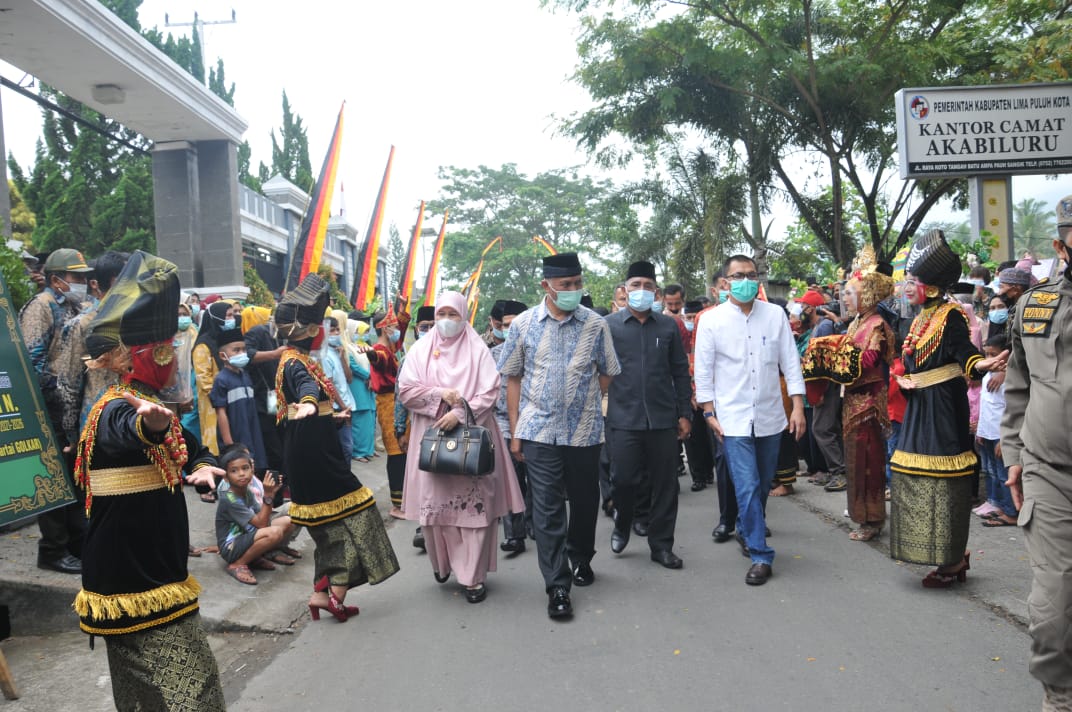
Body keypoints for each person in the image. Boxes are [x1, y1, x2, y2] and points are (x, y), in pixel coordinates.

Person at [73, 250, 225, 710]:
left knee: (146, 691)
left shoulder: (144, 398)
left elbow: (187, 446)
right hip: (130, 578)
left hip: (152, 570)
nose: (173, 358)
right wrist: (151, 427)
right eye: (166, 349)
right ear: (143, 355)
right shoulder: (118, 407)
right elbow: (128, 433)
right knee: (189, 690)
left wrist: (201, 466)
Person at [498, 252, 621, 618]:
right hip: (538, 431)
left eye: (577, 284)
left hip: (584, 432)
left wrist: (581, 396)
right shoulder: (522, 325)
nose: (573, 291)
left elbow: (608, 372)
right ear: (546, 286)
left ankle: (581, 557)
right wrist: (518, 431)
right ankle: (557, 586)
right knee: (548, 508)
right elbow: (513, 378)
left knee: (584, 501)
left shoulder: (596, 325)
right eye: (566, 285)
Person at [274, 274, 399, 623]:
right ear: (312, 330)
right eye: (322, 325)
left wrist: (330, 412)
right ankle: (335, 591)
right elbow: (303, 390)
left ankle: (322, 594)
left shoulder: (295, 359)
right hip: (316, 459)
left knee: (331, 529)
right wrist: (312, 402)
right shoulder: (296, 365)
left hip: (312, 451)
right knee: (358, 518)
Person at [889, 229, 1007, 587]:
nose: (908, 287)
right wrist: (905, 379)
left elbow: (964, 354)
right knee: (916, 478)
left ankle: (952, 560)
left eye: (914, 281)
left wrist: (980, 365)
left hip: (943, 410)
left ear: (934, 286)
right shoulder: (922, 317)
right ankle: (943, 554)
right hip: (919, 408)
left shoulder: (951, 316)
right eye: (907, 281)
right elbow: (911, 361)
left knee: (944, 483)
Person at [396, 292, 524, 602]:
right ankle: (443, 564)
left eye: (454, 314)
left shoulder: (478, 350)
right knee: (436, 510)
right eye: (443, 314)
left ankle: (472, 578)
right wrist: (441, 395)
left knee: (474, 512)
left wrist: (460, 413)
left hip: (473, 439)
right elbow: (406, 391)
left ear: (464, 316)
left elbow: (490, 391)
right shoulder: (420, 351)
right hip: (432, 438)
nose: (447, 321)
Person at [694, 254, 806, 586]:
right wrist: (709, 412)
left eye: (752, 274)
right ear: (725, 283)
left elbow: (790, 362)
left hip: (771, 415)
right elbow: (704, 371)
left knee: (762, 483)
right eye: (740, 275)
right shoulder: (711, 321)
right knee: (747, 485)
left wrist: (797, 407)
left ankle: (745, 527)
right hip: (732, 419)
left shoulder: (774, 316)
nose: (747, 280)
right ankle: (760, 554)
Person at [1001, 194, 1072, 712]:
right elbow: (1018, 385)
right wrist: (1013, 453)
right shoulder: (1035, 305)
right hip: (1051, 472)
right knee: (1053, 608)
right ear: (1060, 244)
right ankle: (1060, 695)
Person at [604, 261, 691, 568]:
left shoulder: (667, 326)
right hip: (623, 419)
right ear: (625, 290)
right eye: (635, 284)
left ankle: (661, 545)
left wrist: (684, 413)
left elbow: (680, 372)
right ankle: (622, 521)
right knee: (624, 481)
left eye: (647, 285)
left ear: (655, 291)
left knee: (666, 484)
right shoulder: (610, 326)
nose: (641, 290)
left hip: (663, 419)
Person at [18, 247, 92, 574]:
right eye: (75, 277)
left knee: (74, 479)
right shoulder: (41, 307)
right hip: (49, 406)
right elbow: (30, 363)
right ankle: (52, 550)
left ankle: (77, 544)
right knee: (54, 479)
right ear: (55, 279)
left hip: (70, 405)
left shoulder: (75, 305)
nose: (81, 282)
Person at [839, 258, 896, 541]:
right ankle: (861, 513)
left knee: (868, 460)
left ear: (867, 295)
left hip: (868, 404)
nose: (845, 298)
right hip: (853, 398)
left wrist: (837, 359)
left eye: (850, 292)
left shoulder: (876, 324)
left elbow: (869, 361)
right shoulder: (858, 323)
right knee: (855, 459)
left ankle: (872, 519)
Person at [215, 446, 297, 585]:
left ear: (252, 470)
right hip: (231, 546)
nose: (241, 474)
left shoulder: (246, 491)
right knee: (274, 532)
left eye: (245, 468)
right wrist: (268, 495)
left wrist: (271, 493)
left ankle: (258, 555)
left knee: (289, 520)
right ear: (226, 478)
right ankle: (238, 564)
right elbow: (262, 524)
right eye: (234, 471)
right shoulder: (230, 498)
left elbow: (263, 515)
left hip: (247, 535)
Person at [489, 299, 532, 554]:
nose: (510, 329)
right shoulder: (491, 356)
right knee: (510, 478)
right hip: (503, 422)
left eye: (515, 324)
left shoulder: (539, 351)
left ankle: (537, 523)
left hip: (536, 422)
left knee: (537, 480)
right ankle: (514, 534)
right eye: (506, 325)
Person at [365, 304, 408, 516]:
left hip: (396, 401)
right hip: (387, 403)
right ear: (384, 328)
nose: (397, 328)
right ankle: (398, 504)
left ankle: (406, 499)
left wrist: (403, 309)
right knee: (395, 451)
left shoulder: (389, 346)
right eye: (393, 325)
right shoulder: (380, 351)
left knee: (403, 448)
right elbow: (378, 361)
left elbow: (400, 338)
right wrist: (371, 355)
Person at [243, 305, 287, 503]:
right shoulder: (258, 331)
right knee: (272, 450)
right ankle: (272, 497)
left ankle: (280, 490)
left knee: (281, 447)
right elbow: (247, 355)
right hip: (262, 402)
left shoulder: (279, 335)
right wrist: (274, 354)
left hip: (276, 401)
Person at [210, 328, 267, 474]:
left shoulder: (245, 375)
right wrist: (230, 444)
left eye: (243, 349)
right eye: (236, 350)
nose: (241, 353)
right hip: (236, 439)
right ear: (223, 356)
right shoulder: (222, 380)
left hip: (252, 434)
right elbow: (221, 413)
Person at [974, 333, 1016, 527]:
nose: (989, 359)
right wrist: (981, 431)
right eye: (986, 354)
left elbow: (1010, 409)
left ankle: (1011, 511)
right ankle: (996, 503)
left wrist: (1004, 438)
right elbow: (986, 404)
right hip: (987, 432)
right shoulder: (987, 376)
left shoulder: (1008, 379)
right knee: (990, 470)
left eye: (994, 354)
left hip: (1000, 435)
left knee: (1003, 474)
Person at [193, 300, 237, 457]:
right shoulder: (203, 345)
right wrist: (219, 396)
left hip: (228, 399)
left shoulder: (222, 339)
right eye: (229, 315)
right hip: (213, 401)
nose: (232, 319)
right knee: (215, 443)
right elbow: (203, 379)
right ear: (217, 318)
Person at [319, 314, 357, 461]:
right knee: (345, 448)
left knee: (347, 447)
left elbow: (349, 378)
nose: (336, 333)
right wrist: (342, 407)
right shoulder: (324, 356)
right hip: (336, 407)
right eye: (332, 331)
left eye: (337, 330)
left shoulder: (337, 352)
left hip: (346, 404)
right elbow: (329, 385)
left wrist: (342, 358)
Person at [344, 314, 378, 463]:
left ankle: (368, 450)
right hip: (358, 386)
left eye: (363, 332)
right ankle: (358, 452)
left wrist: (372, 376)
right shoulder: (348, 348)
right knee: (360, 421)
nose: (361, 335)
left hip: (368, 386)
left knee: (370, 419)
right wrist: (369, 376)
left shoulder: (361, 347)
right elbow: (353, 366)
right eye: (358, 331)